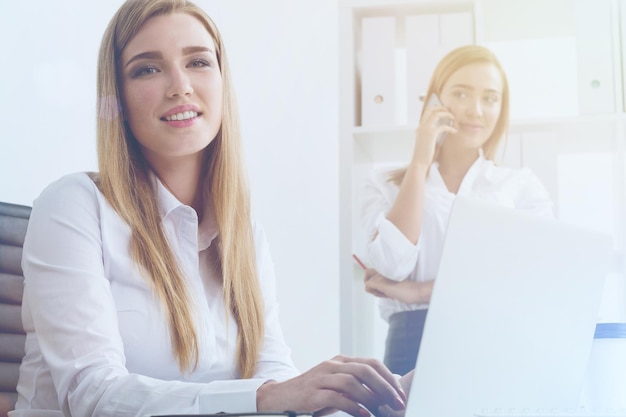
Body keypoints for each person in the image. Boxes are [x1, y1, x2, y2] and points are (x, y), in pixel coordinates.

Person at [9, 1, 410, 416]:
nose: (179, 85)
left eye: (198, 62)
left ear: (222, 82)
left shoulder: (244, 235)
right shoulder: (73, 207)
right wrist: (263, 397)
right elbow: (92, 394)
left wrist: (342, 399)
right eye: (147, 68)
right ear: (119, 101)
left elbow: (272, 370)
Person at [360, 45, 554, 376]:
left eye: (490, 98)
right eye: (462, 93)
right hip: (412, 347)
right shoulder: (384, 183)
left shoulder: (520, 186)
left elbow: (534, 279)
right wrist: (420, 163)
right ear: (434, 100)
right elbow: (392, 264)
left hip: (498, 342)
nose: (476, 110)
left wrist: (420, 291)